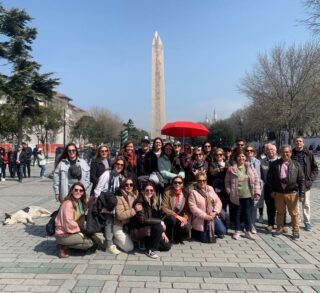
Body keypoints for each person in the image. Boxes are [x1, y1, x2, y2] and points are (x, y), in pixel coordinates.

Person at [267, 145, 305, 240]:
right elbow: (269, 179)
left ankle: (295, 231)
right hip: (279, 193)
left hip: (291, 193)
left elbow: (301, 180)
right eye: (283, 152)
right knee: (280, 212)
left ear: (290, 153)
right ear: (280, 153)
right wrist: (271, 191)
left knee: (294, 213)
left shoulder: (296, 165)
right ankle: (279, 228)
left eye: (287, 152)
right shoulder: (274, 164)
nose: (285, 154)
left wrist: (301, 194)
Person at [225, 150, 260, 240]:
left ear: (246, 157)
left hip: (248, 195)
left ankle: (248, 231)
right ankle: (237, 231)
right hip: (236, 195)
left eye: (243, 156)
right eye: (239, 156)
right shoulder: (231, 169)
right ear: (236, 158)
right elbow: (227, 182)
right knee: (237, 214)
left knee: (247, 214)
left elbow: (256, 180)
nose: (241, 158)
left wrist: (257, 191)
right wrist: (229, 192)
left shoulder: (250, 167)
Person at [94, 156, 126, 255]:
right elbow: (98, 189)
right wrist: (98, 204)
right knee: (109, 221)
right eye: (118, 164)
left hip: (114, 202)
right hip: (105, 201)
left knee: (112, 222)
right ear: (114, 164)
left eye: (121, 165)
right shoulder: (107, 174)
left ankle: (111, 241)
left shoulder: (121, 177)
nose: (119, 166)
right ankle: (109, 244)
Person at [55, 182, 96, 258]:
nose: (78, 192)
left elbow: (88, 202)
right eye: (76, 190)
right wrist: (80, 229)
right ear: (72, 191)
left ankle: (69, 244)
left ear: (83, 192)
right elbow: (68, 221)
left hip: (71, 230)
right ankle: (63, 247)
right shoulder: (68, 203)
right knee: (89, 243)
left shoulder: (79, 202)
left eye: (81, 190)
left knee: (90, 238)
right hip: (64, 233)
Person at [132, 182, 170, 259]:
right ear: (143, 191)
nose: (149, 192)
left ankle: (147, 243)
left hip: (152, 227)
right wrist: (160, 223)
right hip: (142, 227)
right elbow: (142, 220)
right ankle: (149, 249)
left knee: (166, 246)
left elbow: (158, 217)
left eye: (151, 190)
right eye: (147, 190)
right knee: (159, 226)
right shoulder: (139, 202)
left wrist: (162, 232)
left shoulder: (154, 200)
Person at [188, 171, 226, 243]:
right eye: (199, 180)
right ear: (196, 181)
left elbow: (218, 201)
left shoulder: (210, 188)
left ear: (206, 180)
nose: (202, 182)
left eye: (204, 180)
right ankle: (196, 232)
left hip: (212, 216)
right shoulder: (193, 192)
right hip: (201, 219)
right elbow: (193, 209)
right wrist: (206, 216)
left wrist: (215, 212)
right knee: (206, 240)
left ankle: (213, 230)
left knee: (222, 231)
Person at [291, 136, 318, 232]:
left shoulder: (308, 153)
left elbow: (315, 168)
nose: (298, 143)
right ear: (294, 143)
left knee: (306, 204)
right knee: (295, 205)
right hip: (293, 183)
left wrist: (310, 180)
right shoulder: (291, 153)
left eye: (300, 141)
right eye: (297, 141)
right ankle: (296, 221)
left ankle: (307, 222)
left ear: (303, 143)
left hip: (305, 183)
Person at [260, 143, 284, 232]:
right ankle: (270, 223)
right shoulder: (262, 161)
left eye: (272, 149)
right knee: (270, 207)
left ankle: (282, 224)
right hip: (268, 188)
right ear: (265, 151)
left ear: (276, 151)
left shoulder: (281, 160)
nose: (270, 151)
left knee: (281, 207)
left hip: (280, 188)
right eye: (268, 150)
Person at [161, 175, 190, 244]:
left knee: (186, 227)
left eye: (180, 183)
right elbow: (164, 208)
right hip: (169, 215)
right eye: (175, 182)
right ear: (172, 183)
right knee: (172, 219)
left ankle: (178, 237)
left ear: (182, 184)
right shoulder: (167, 192)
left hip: (180, 215)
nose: (177, 184)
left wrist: (185, 218)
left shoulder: (185, 193)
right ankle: (170, 238)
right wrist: (177, 216)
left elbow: (187, 209)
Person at [114, 178, 139, 252]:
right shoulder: (119, 197)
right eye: (126, 185)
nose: (129, 186)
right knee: (129, 247)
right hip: (118, 225)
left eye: (131, 185)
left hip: (128, 226)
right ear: (122, 186)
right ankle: (114, 240)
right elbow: (120, 215)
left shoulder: (134, 196)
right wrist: (134, 210)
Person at [244, 145, 262, 233]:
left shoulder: (258, 162)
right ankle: (247, 224)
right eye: (247, 151)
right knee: (247, 207)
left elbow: (260, 175)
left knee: (254, 207)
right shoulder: (242, 161)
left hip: (256, 187)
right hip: (246, 187)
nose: (249, 152)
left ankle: (253, 225)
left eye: (251, 151)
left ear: (254, 152)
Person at [207, 148, 229, 213]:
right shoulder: (212, 164)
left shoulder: (227, 163)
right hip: (216, 187)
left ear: (223, 155)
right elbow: (211, 173)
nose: (219, 156)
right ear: (215, 156)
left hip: (225, 187)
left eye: (220, 154)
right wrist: (220, 169)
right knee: (216, 204)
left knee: (224, 205)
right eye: (217, 155)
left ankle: (224, 220)